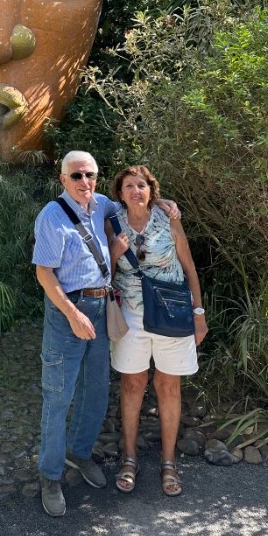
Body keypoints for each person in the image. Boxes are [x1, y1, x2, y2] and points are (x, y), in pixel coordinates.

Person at [32, 151, 178, 517]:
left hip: (102, 308)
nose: (85, 182)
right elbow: (43, 273)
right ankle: (50, 476)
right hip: (68, 310)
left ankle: (79, 454)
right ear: (63, 180)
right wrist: (72, 313)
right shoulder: (51, 216)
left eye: (91, 175)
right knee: (59, 395)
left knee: (96, 391)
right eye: (77, 176)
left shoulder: (101, 205)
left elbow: (135, 197)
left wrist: (162, 200)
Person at [108, 165, 208, 498]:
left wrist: (199, 313)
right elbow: (103, 272)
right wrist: (115, 252)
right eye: (128, 186)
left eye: (141, 185)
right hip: (131, 315)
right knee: (132, 383)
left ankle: (169, 463)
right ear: (119, 193)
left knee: (168, 385)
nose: (135, 190)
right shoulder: (113, 222)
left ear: (152, 191)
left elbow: (190, 267)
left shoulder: (169, 218)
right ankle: (129, 458)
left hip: (172, 313)